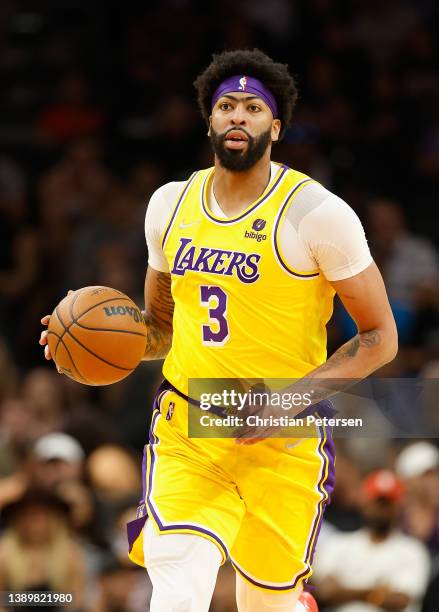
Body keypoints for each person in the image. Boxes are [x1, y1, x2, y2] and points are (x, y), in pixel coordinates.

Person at [40, 49, 398, 612]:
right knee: (178, 587)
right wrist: (86, 345)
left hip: (283, 439)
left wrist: (286, 403)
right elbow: (159, 329)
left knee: (267, 605)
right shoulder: (169, 205)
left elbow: (380, 337)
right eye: (226, 105)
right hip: (190, 426)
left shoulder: (318, 215)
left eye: (253, 107)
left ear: (275, 127)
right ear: (209, 120)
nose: (238, 116)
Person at [314, 469, 431, 612]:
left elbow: (399, 601)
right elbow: (326, 593)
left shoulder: (413, 551)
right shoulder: (339, 543)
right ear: (365, 503)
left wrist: (344, 590)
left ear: (398, 507)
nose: (381, 509)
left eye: (387, 503)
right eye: (377, 502)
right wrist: (375, 593)